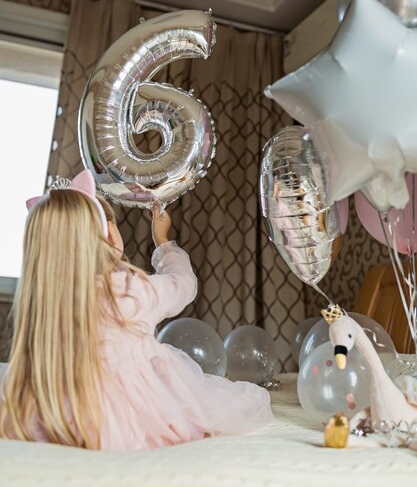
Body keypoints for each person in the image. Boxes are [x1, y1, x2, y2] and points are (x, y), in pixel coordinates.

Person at [0, 170, 273, 452]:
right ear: (108, 233)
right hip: (132, 415)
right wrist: (162, 240)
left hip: (57, 407)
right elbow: (183, 285)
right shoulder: (130, 289)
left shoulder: (44, 298)